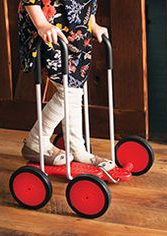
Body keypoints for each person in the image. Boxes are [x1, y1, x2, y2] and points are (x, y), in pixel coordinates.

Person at [18, 0, 113, 170]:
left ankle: (76, 149)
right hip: (49, 30)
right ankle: (36, 141)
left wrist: (93, 23)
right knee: (68, 92)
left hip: (77, 34)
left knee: (74, 90)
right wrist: (41, 24)